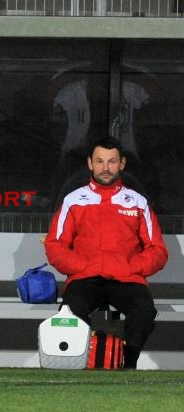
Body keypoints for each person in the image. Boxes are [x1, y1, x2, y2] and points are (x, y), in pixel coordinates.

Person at [44, 136, 168, 369]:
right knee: (72, 308)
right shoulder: (73, 200)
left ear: (122, 164)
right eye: (100, 161)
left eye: (112, 162)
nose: (105, 168)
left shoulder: (137, 202)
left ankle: (128, 364)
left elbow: (158, 250)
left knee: (143, 308)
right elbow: (55, 245)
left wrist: (131, 267)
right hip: (85, 278)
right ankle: (78, 364)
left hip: (126, 279)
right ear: (90, 164)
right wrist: (82, 267)